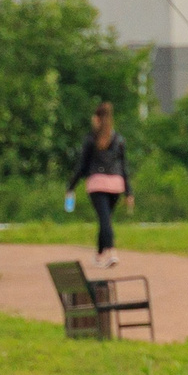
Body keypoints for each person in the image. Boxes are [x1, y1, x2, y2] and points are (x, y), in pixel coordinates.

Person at [66, 101, 134, 268]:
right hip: (116, 184)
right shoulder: (119, 139)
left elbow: (82, 166)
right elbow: (124, 167)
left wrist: (71, 186)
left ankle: (111, 252)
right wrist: (129, 192)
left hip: (97, 183)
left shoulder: (91, 139)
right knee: (106, 219)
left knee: (105, 220)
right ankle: (99, 254)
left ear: (96, 118)